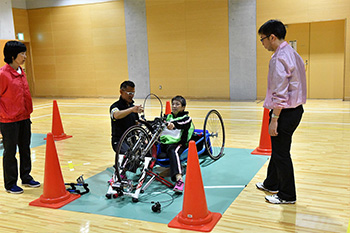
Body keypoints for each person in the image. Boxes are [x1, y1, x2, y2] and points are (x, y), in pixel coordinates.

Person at [255, 20, 306, 204]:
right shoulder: (293, 53)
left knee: (282, 154)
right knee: (278, 150)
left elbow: (280, 93)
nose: (262, 43)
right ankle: (271, 182)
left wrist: (274, 118)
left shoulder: (278, 58)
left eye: (262, 39)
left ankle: (287, 195)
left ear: (272, 37)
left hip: (284, 112)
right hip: (295, 110)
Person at [0, 41, 40, 194]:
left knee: (25, 149)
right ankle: (10, 184)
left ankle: (26, 177)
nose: (25, 56)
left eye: (25, 53)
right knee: (10, 152)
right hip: (8, 120)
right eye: (22, 53)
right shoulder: (3, 74)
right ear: (12, 55)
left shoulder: (21, 71)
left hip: (24, 117)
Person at [159, 96, 194, 193]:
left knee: (173, 151)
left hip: (178, 144)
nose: (174, 106)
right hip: (165, 143)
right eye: (173, 104)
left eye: (177, 104)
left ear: (183, 107)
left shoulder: (187, 118)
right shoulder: (167, 117)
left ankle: (179, 180)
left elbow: (183, 123)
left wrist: (174, 124)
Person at [110, 80, 143, 154]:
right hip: (119, 141)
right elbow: (116, 115)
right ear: (121, 92)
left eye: (133, 93)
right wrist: (131, 110)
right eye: (130, 93)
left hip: (132, 140)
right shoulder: (115, 106)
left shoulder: (133, 107)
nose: (132, 95)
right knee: (130, 155)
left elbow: (136, 124)